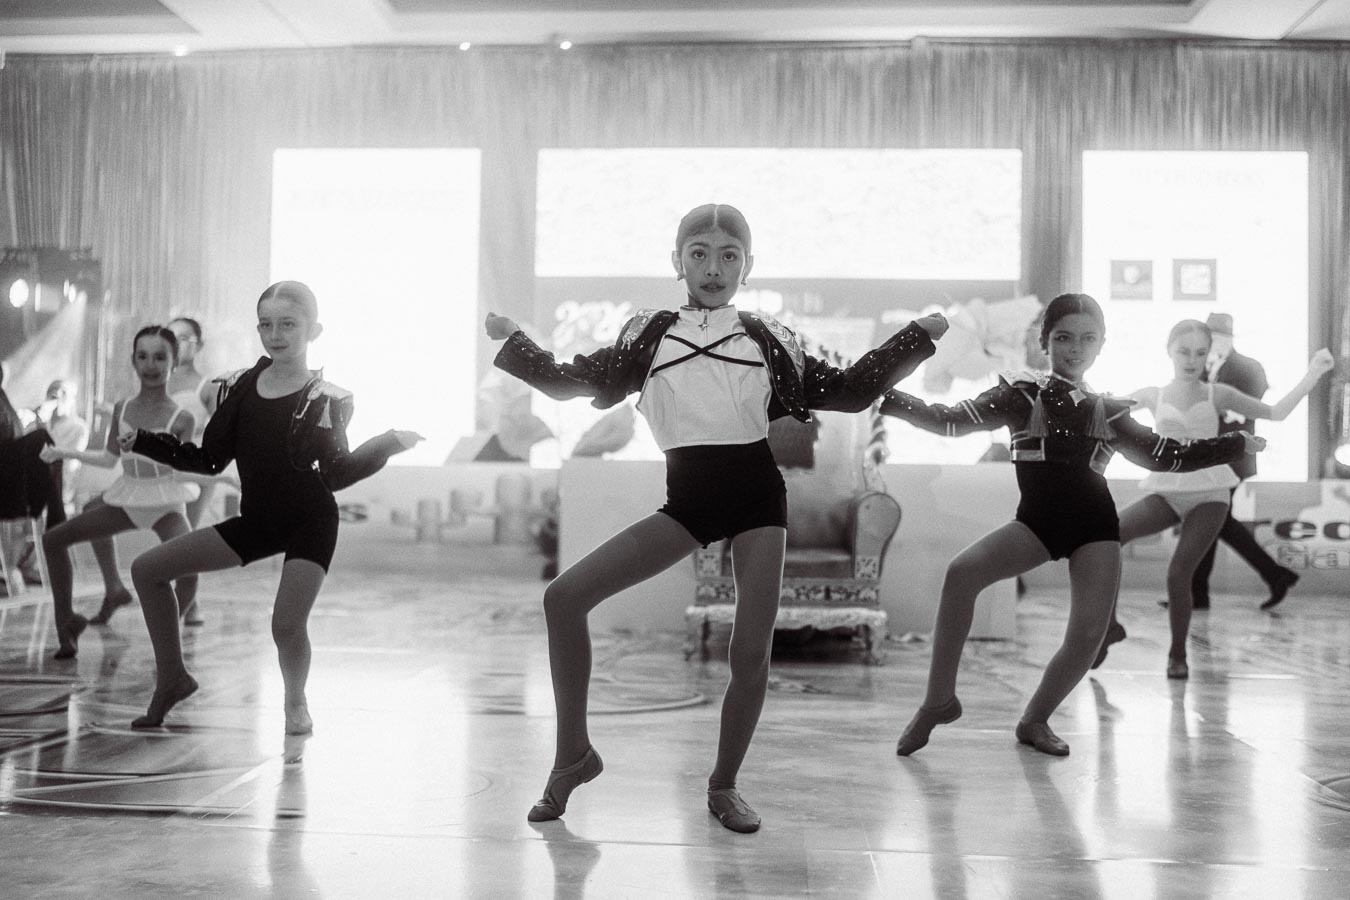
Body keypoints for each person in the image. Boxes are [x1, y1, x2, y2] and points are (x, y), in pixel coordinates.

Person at [487, 203, 946, 833]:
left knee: (748, 654)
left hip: (759, 499)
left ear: (748, 266)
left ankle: (724, 784)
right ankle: (573, 756)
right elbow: (568, 382)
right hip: (688, 505)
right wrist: (515, 339)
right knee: (564, 599)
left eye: (729, 255)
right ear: (676, 260)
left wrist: (917, 336)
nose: (713, 266)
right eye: (698, 252)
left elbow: (848, 389)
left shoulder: (767, 336)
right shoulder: (647, 334)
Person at [882, 293, 1258, 758]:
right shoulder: (1020, 394)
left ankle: (1035, 719)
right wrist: (888, 394)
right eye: (1064, 338)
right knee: (962, 574)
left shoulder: (1111, 410)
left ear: (1101, 345)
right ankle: (938, 701)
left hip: (1096, 529)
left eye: (1087, 339)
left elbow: (1167, 455)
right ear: (1045, 341)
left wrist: (1232, 444)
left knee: (1086, 635)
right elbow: (950, 422)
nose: (1075, 348)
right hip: (1036, 525)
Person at [122, 281, 421, 733]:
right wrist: (146, 443)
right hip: (258, 520)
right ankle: (172, 678)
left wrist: (387, 443)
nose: (276, 334)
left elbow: (336, 473)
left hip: (310, 519)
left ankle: (295, 700)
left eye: (288, 325)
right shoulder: (237, 387)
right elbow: (207, 459)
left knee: (285, 626)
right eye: (266, 324)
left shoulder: (329, 398)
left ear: (313, 330)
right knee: (147, 570)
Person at [1105, 320, 1333, 679]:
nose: (1192, 359)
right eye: (1184, 351)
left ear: (1209, 354)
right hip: (1166, 489)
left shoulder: (1218, 394)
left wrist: (1312, 375)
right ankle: (1110, 625)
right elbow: (1105, 414)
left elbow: (1277, 413)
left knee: (1179, 573)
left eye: (1200, 352)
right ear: (1169, 351)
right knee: (1108, 536)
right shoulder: (1153, 394)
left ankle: (1178, 654)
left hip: (1210, 494)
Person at [39, 327, 201, 659]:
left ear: (174, 361)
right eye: (142, 356)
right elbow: (109, 457)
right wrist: (64, 453)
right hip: (128, 499)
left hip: (167, 506)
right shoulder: (122, 408)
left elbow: (188, 468)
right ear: (133, 360)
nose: (150, 365)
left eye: (159, 357)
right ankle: (66, 623)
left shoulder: (182, 418)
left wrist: (227, 481)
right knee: (53, 539)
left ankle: (169, 648)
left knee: (189, 572)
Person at [1192, 312, 1304, 610]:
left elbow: (1247, 408)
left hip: (1234, 456)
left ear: (1229, 338)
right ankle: (1271, 576)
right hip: (1210, 457)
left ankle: (1273, 575)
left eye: (1217, 336)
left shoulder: (1249, 367)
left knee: (1213, 519)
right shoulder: (1201, 367)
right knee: (1213, 521)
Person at [12, 379, 90, 585]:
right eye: (54, 393)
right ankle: (18, 564)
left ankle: (21, 563)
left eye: (64, 393)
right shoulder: (38, 422)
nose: (58, 398)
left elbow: (64, 461)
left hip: (60, 486)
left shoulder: (78, 427)